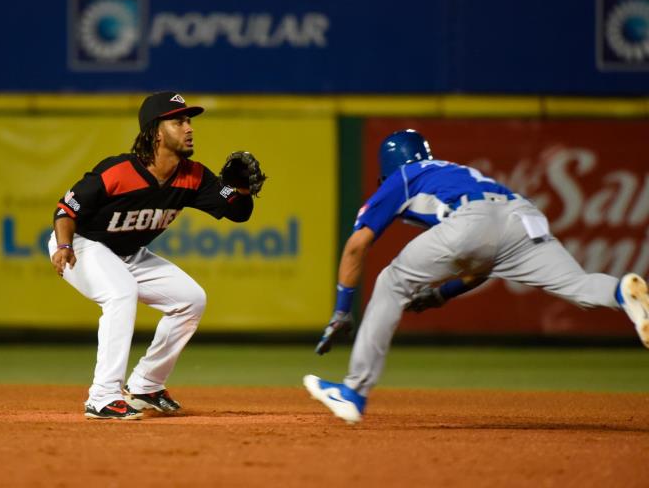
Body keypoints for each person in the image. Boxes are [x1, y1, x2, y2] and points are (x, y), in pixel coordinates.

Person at [304, 129, 649, 424]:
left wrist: (342, 309)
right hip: (522, 216)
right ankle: (622, 292)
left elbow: (356, 246)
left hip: (473, 218)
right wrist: (442, 294)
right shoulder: (456, 171)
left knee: (391, 282)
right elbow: (485, 261)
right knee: (579, 285)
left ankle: (354, 392)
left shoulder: (404, 176)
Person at [49, 91, 265, 420]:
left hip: (127, 253)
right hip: (81, 244)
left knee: (190, 299)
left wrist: (243, 190)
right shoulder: (118, 171)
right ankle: (102, 396)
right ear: (156, 132)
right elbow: (66, 209)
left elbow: (237, 212)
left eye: (189, 121)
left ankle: (146, 385)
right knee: (120, 292)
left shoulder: (193, 176)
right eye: (178, 122)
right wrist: (64, 246)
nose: (189, 128)